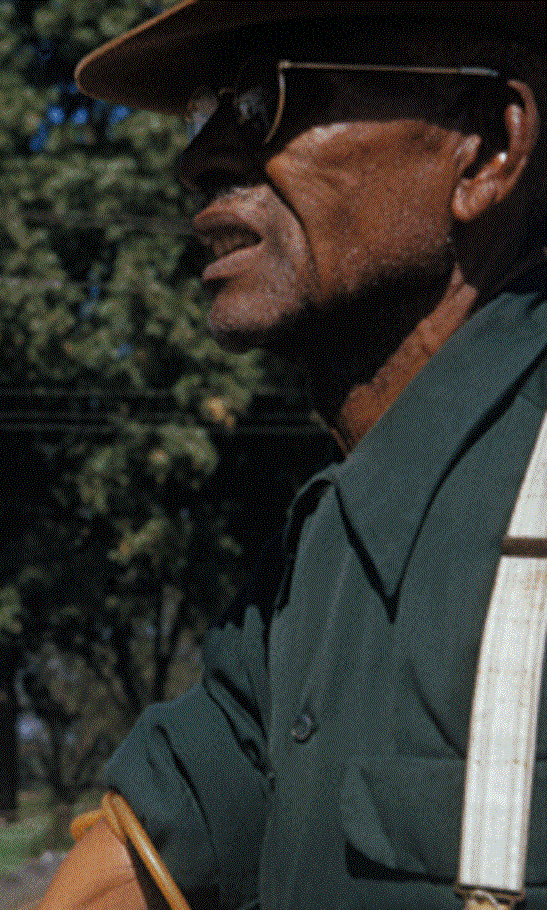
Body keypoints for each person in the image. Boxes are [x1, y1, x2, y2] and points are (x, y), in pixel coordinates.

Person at [39, 1, 547, 908]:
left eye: (271, 96)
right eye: (207, 107)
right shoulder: (318, 557)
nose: (201, 157)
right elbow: (142, 858)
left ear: (486, 148)